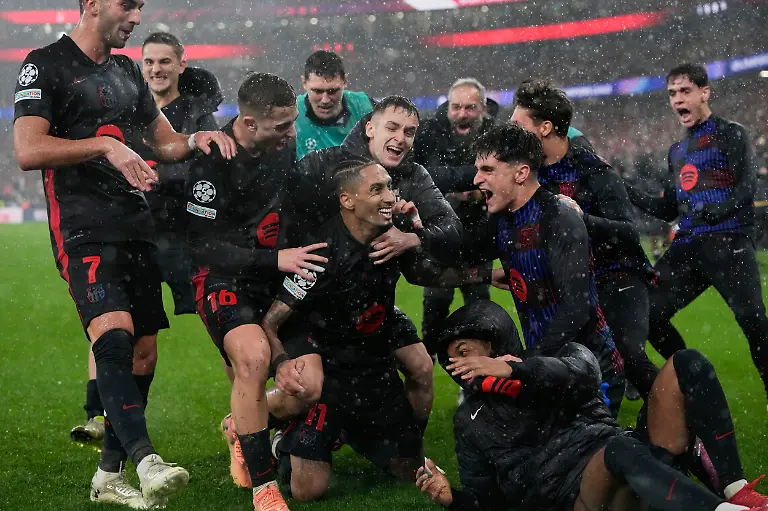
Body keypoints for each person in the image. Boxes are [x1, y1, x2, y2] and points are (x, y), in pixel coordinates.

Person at [13, 0, 235, 507]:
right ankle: (144, 457)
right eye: (126, 4)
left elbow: (165, 142)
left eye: (140, 5)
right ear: (91, 4)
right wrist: (104, 146)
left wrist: (197, 138)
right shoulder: (44, 64)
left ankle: (108, 475)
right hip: (82, 226)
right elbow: (28, 150)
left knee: (143, 350)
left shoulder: (126, 70)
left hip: (137, 225)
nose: (136, 15)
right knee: (112, 334)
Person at [261, 161, 489, 502]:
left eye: (389, 187)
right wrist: (280, 363)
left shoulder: (392, 232)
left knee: (408, 467)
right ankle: (268, 428)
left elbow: (430, 275)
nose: (390, 196)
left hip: (373, 346)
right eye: (376, 189)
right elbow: (272, 321)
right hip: (327, 355)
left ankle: (400, 437)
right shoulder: (321, 253)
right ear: (347, 201)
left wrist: (485, 275)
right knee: (308, 491)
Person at [418, 299, 768, 511]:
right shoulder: (471, 420)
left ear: (493, 337)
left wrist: (514, 369)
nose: (458, 369)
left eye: (464, 353)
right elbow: (491, 504)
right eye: (451, 364)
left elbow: (584, 374)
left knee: (687, 363)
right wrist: (453, 499)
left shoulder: (556, 359)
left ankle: (736, 491)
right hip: (575, 497)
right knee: (620, 448)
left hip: (637, 468)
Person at [267, 96, 464, 435]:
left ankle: (408, 451)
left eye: (409, 131)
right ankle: (251, 423)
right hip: (316, 304)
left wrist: (412, 238)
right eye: (392, 127)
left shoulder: (413, 176)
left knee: (420, 366)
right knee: (307, 389)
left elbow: (452, 227)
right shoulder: (325, 166)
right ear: (370, 128)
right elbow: (280, 210)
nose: (401, 138)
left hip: (373, 301)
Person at [69, 31, 224, 444]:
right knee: (115, 323)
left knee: (222, 319)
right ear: (141, 66)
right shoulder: (125, 108)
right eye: (149, 62)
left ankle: (251, 408)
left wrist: (162, 177)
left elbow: (203, 166)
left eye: (164, 62)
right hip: (132, 232)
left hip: (182, 237)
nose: (156, 69)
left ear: (180, 65)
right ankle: (100, 415)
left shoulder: (193, 112)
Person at [186, 71, 331, 511]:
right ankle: (264, 490)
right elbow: (202, 244)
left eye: (292, 122)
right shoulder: (213, 160)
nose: (292, 132)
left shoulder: (281, 150)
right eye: (282, 125)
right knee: (254, 358)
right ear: (249, 124)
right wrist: (275, 259)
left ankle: (240, 425)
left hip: (277, 278)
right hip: (223, 280)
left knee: (307, 388)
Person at [625, 63, 768, 401]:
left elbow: (747, 188)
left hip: (729, 242)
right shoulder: (677, 151)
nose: (678, 99)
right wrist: (623, 188)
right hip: (688, 246)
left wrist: (714, 211)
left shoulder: (731, 133)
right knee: (645, 313)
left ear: (705, 93)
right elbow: (667, 209)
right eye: (672, 93)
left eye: (685, 91)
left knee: (754, 325)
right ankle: (693, 385)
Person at [510, 79, 659, 402]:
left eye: (518, 125)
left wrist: (582, 219)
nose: (512, 131)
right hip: (572, 282)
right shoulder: (531, 173)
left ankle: (682, 423)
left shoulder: (592, 170)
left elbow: (629, 232)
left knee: (629, 357)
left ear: (545, 128)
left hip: (616, 276)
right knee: (567, 362)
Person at [463, 123, 625, 416]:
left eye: (487, 169)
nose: (476, 179)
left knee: (578, 457)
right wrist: (414, 230)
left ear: (521, 173)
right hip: (547, 366)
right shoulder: (503, 219)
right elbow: (456, 251)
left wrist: (523, 364)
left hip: (591, 372)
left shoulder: (559, 216)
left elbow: (576, 309)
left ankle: (672, 447)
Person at [411, 78, 498, 353]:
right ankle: (426, 376)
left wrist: (448, 185)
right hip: (440, 237)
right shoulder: (428, 132)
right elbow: (422, 175)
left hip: (479, 235)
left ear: (483, 109)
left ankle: (477, 386)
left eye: (470, 108)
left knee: (479, 312)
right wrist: (475, 181)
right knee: (434, 313)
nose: (462, 114)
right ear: (448, 107)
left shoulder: (496, 135)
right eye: (457, 107)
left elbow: (502, 179)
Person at [295, 50, 375, 160]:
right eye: (317, 91)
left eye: (332, 91)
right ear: (304, 83)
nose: (325, 100)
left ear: (345, 81)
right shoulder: (291, 114)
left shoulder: (366, 107)